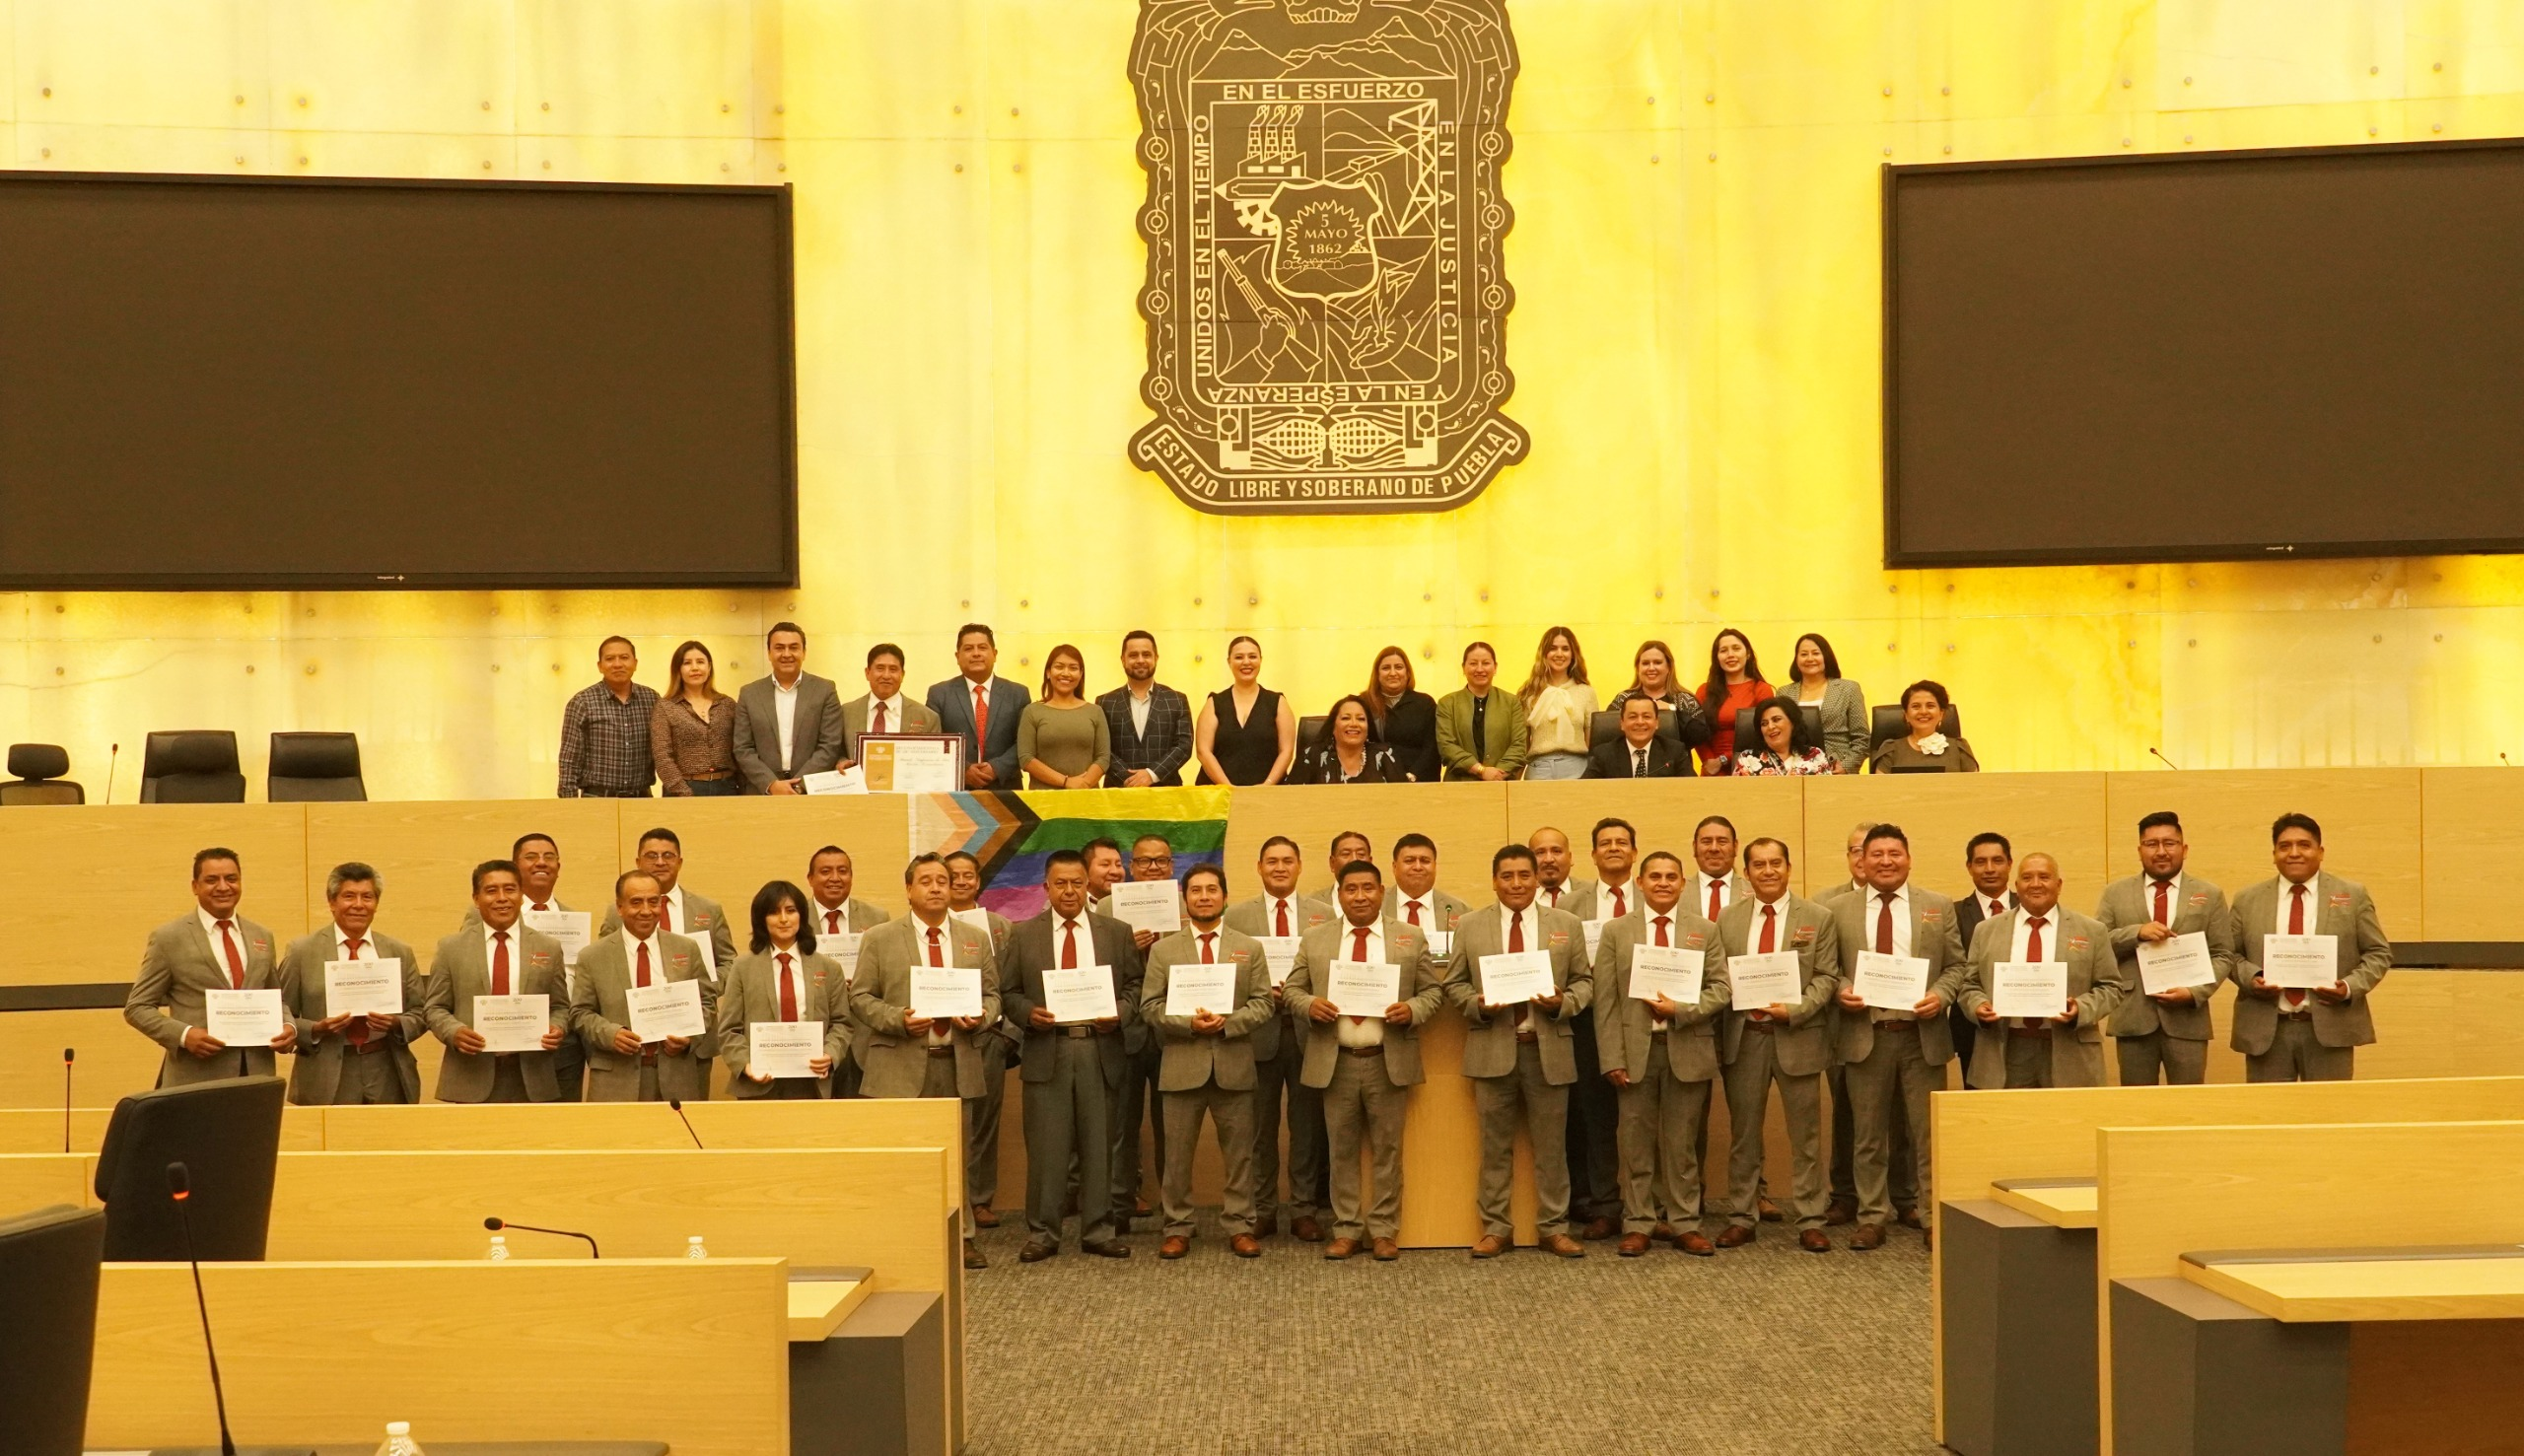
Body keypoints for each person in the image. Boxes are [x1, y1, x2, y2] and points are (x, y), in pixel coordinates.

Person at [1284, 859, 1443, 1261]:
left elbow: (1433, 993)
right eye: (1351, 889)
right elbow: (1291, 990)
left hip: (1386, 1058)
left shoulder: (1409, 937)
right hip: (1335, 1059)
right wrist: (1309, 1004)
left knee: (1388, 1149)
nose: (1360, 896)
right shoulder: (1316, 939)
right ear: (1339, 895)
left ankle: (1385, 1230)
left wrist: (1412, 1010)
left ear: (1381, 892)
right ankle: (1348, 1229)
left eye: (1368, 888)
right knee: (1341, 1149)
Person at [852, 853, 1000, 1269]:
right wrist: (898, 1019)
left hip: (958, 1059)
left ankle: (962, 1239)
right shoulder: (880, 937)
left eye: (943, 881)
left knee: (959, 1157)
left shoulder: (974, 937)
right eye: (926, 881)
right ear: (909, 889)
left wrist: (981, 1016)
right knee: (902, 1160)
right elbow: (860, 997)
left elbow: (992, 995)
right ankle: (902, 1240)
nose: (936, 887)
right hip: (899, 1063)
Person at [1448, 845, 1593, 1259]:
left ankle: (1553, 1228)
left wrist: (1562, 1003)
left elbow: (1585, 981)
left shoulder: (1565, 924)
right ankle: (1496, 1228)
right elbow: (1453, 984)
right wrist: (1478, 1004)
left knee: (1552, 1148)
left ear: (1537, 879)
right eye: (1507, 876)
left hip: (1548, 1049)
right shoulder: (1471, 925)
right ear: (1494, 880)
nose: (1516, 884)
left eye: (1524, 876)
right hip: (1493, 1047)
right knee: (1494, 1149)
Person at [1829, 823, 1967, 1252]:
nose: (1886, 861)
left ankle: (1930, 1217)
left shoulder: (1938, 906)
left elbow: (1957, 967)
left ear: (1908, 858)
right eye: (1877, 854)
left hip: (1920, 1035)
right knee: (1867, 1135)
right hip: (1865, 1033)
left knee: (1926, 1135)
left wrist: (1940, 996)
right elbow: (1826, 967)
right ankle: (1872, 1216)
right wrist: (1841, 989)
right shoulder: (1837, 910)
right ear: (1862, 861)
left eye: (1894, 853)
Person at [998, 849, 1142, 1261]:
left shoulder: (1116, 932)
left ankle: (1099, 1230)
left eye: (1077, 882)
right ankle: (1043, 1232)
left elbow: (1135, 985)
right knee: (1047, 1148)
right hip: (1049, 1051)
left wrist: (1119, 1013)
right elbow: (1007, 993)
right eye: (1060, 883)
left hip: (1100, 1050)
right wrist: (1029, 1014)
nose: (1069, 891)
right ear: (1046, 887)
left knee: (1100, 1146)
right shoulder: (1024, 935)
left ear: (1088, 885)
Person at [1593, 849, 1727, 1256]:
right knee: (1635, 1142)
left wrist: (1681, 1010)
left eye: (1672, 877)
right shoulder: (1617, 930)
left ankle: (1685, 1222)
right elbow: (1606, 1001)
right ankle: (1639, 1223)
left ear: (1683, 884)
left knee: (1682, 1143)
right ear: (1640, 882)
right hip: (1635, 1051)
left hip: (1686, 1046)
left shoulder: (1704, 930)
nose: (1664, 883)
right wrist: (1612, 1057)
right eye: (1655, 877)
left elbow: (1721, 989)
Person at [1140, 865, 1275, 1258]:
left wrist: (1228, 1023)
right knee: (1177, 1155)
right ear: (1185, 899)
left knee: (1240, 1154)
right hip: (1182, 1063)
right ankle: (1178, 1227)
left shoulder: (1249, 947)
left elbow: (1264, 1002)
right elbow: (1149, 1007)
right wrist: (1189, 1024)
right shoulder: (1164, 950)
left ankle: (1239, 1225)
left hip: (1233, 1062)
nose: (1203, 896)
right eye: (1195, 890)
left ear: (1225, 896)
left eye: (1211, 890)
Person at [1716, 837, 1838, 1252]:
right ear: (1746, 873)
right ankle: (1741, 1216)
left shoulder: (1817, 917)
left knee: (1805, 1135)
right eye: (1759, 865)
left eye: (1775, 864)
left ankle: (1810, 1218)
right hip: (1744, 1037)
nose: (1768, 871)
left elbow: (1827, 977)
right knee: (1743, 1135)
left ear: (1789, 868)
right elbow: (1717, 977)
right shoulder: (1727, 920)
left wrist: (1797, 1008)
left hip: (1797, 1036)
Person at [1224, 835, 1337, 1242]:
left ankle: (1304, 1210)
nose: (1279, 868)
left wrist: (1301, 991)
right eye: (1271, 861)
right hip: (1259, 1032)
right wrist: (1259, 990)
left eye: (1287, 860)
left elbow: (1332, 969)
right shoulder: (1236, 917)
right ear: (1259, 867)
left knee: (1306, 1127)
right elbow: (1226, 976)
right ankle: (1262, 1209)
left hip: (1310, 1032)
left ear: (1300, 866)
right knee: (1258, 1128)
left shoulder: (1325, 915)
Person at [2230, 813, 2391, 1082]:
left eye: (2304, 845)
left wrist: (2349, 986)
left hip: (2330, 1027)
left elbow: (2378, 953)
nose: (2294, 853)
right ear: (2274, 854)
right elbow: (2229, 955)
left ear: (2320, 851)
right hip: (2267, 1030)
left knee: (2329, 1115)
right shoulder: (2247, 900)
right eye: (2285, 846)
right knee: (2269, 1116)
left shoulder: (2352, 895)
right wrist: (2251, 978)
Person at [1958, 853, 2127, 1090]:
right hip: (2006, 1048)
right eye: (2027, 877)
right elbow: (1969, 985)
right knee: (2008, 1124)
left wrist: (2080, 1008)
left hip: (2069, 1049)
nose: (2035, 884)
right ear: (2016, 886)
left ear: (2059, 885)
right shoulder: (1986, 930)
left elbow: (2111, 987)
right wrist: (1978, 1005)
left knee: (2067, 1124)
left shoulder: (2091, 930)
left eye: (2044, 877)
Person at [127, 847, 294, 1085]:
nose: (224, 887)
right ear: (195, 886)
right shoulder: (169, 938)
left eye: (231, 879)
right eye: (212, 880)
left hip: (258, 1076)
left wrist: (288, 1026)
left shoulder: (262, 936)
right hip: (195, 1079)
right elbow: (137, 1008)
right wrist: (184, 1036)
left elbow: (275, 998)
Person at [2095, 812, 2235, 1086]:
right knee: (2137, 1107)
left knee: (2188, 1107)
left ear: (2184, 849)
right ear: (2139, 851)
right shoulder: (2116, 893)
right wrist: (2135, 932)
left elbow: (2223, 954)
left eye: (2169, 843)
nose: (2161, 851)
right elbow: (2098, 946)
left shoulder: (2210, 894)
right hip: (2134, 1018)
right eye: (2151, 844)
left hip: (2188, 1020)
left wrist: (2195, 992)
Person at [279, 862, 425, 1106]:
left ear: (376, 903)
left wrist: (397, 1023)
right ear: (332, 902)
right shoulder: (301, 952)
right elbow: (282, 1011)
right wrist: (317, 1028)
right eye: (349, 896)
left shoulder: (399, 951)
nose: (358, 905)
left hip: (386, 1069)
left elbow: (421, 1013)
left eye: (367, 897)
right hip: (326, 1071)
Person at [425, 860, 570, 1103]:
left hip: (532, 1079)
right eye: (491, 891)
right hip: (468, 1078)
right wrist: (454, 1032)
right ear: (476, 898)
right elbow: (434, 1008)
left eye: (510, 889)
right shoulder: (451, 948)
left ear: (522, 895)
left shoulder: (548, 947)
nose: (502, 898)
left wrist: (557, 1028)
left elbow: (560, 1007)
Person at [574, 870, 715, 1102]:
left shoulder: (686, 949)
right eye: (636, 902)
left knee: (677, 1140)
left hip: (676, 1077)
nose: (646, 911)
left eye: (653, 901)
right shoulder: (593, 956)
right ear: (619, 908)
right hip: (616, 1080)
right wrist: (610, 1034)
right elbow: (579, 1013)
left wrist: (690, 1038)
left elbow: (706, 1002)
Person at [717, 880, 847, 1100]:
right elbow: (729, 1030)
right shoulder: (743, 967)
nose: (784, 919)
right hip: (759, 1084)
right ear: (761, 919)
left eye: (791, 910)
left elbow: (842, 1023)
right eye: (774, 912)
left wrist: (830, 1054)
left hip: (812, 1082)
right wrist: (746, 1064)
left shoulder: (828, 968)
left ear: (802, 916)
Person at [944, 851, 1017, 1228]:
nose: (960, 881)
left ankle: (980, 1199)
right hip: (937, 1038)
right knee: (948, 1124)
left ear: (978, 881)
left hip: (987, 1034)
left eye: (968, 875)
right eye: (952, 875)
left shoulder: (1001, 926)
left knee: (985, 1123)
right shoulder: (923, 926)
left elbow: (1011, 984)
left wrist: (1005, 1035)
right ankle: (949, 1202)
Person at [1110, 835, 1176, 1228]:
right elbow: (1095, 971)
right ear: (1131, 867)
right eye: (1144, 862)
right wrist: (1125, 948)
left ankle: (1175, 1211)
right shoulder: (1107, 909)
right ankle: (1118, 1208)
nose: (1153, 868)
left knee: (1173, 1127)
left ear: (1172, 866)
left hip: (1174, 1032)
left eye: (1161, 861)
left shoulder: (1188, 909)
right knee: (1121, 1125)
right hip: (1125, 1031)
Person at [504, 832, 584, 1099]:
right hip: (507, 1035)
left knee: (560, 1128)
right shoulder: (491, 914)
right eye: (531, 857)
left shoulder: (573, 919)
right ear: (515, 867)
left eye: (549, 858)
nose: (541, 863)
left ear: (558, 868)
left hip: (563, 1039)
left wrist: (562, 1025)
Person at [599, 829, 736, 981]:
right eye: (651, 856)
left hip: (693, 1002)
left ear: (680, 862)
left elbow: (728, 962)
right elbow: (603, 962)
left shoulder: (708, 910)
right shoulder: (618, 912)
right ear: (638, 862)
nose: (660, 862)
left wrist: (706, 988)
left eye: (668, 856)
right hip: (634, 1001)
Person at [733, 622, 846, 795]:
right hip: (761, 793)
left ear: (804, 652)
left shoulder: (825, 690)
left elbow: (830, 745)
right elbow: (742, 748)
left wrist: (799, 785)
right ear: (769, 653)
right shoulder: (749, 694)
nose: (787, 654)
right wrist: (771, 784)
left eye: (794, 647)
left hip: (811, 791)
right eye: (779, 648)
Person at [927, 623, 1029, 791]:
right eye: (968, 649)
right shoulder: (939, 694)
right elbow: (935, 742)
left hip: (1007, 790)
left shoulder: (1018, 694)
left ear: (995, 654)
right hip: (956, 791)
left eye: (982, 648)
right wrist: (964, 769)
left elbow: (1025, 742)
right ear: (957, 656)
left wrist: (996, 768)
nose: (976, 654)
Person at [557, 636, 659, 797]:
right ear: (600, 666)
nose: (618, 664)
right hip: (596, 800)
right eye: (610, 659)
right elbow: (569, 760)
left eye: (624, 658)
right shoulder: (582, 702)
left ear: (635, 663)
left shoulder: (652, 699)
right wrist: (570, 807)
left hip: (642, 799)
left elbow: (663, 752)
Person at [1952, 831, 2016, 1075]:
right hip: (1973, 1028)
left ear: (2010, 864)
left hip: (2030, 1024)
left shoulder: (2031, 907)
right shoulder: (1953, 913)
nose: (1989, 869)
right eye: (1980, 862)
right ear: (1969, 867)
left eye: (1997, 861)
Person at [1195, 635, 1297, 786]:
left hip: (1268, 793)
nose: (1246, 662)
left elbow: (1286, 751)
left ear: (1261, 660)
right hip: (1218, 795)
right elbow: (1203, 751)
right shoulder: (1214, 702)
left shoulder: (1278, 702)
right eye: (1239, 657)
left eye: (1252, 656)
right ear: (1229, 661)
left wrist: (1267, 785)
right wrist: (1228, 788)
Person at [1099, 630, 1195, 787]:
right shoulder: (1105, 702)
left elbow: (1184, 746)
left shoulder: (1176, 700)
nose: (1140, 660)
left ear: (1156, 658)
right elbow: (1101, 749)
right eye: (1133, 655)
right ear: (1123, 660)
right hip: (1118, 793)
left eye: (1146, 654)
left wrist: (1152, 774)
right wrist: (1131, 779)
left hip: (1167, 792)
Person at [1015, 644, 1112, 789]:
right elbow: (1026, 758)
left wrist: (1083, 784)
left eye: (1073, 668)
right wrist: (1066, 782)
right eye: (1059, 667)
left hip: (1087, 798)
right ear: (1048, 672)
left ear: (1081, 674)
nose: (1066, 673)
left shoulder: (1095, 711)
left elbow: (1103, 757)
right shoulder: (1032, 711)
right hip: (1043, 801)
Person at [651, 640, 740, 797]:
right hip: (684, 789)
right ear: (678, 669)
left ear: (709, 667)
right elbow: (663, 757)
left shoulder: (727, 704)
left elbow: (740, 749)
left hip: (727, 787)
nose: (695, 668)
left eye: (700, 662)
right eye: (687, 663)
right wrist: (684, 793)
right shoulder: (666, 707)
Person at [1605, 639, 1711, 763]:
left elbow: (1701, 736)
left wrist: (1672, 710)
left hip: (1675, 770)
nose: (1651, 668)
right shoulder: (1623, 700)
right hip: (1628, 768)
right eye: (1645, 663)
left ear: (1669, 667)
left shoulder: (1685, 700)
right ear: (1637, 668)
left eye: (1657, 662)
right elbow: (1607, 735)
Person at [1436, 641, 1527, 782]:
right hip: (1459, 784)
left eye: (1485, 663)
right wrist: (1481, 770)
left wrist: (1497, 775)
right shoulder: (1447, 703)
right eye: (1473, 663)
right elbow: (1446, 745)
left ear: (1495, 667)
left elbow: (1519, 745)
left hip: (1502, 785)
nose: (1479, 669)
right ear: (1463, 668)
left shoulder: (1511, 702)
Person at [1516, 626, 1600, 781]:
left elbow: (1592, 743)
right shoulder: (1529, 693)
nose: (1559, 654)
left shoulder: (1587, 692)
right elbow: (1522, 745)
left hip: (1577, 768)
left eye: (1565, 649)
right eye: (1553, 648)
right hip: (1538, 769)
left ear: (1573, 654)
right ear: (1544, 654)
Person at [838, 643, 942, 766]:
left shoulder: (927, 718)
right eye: (880, 668)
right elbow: (836, 752)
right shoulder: (846, 712)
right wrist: (841, 762)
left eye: (893, 669)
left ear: (902, 675)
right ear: (867, 673)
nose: (886, 676)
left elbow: (934, 763)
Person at [1785, 633, 1868, 774]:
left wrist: (1846, 766)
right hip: (1793, 768)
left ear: (1826, 657)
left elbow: (1862, 738)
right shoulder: (1784, 693)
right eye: (1804, 654)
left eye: (1816, 653)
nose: (1810, 658)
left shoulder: (1848, 689)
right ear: (1796, 660)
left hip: (1836, 767)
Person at [1694, 629, 1773, 773]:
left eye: (1736, 649)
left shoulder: (1762, 690)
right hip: (1712, 770)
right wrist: (1709, 761)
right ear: (1716, 657)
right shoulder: (1704, 691)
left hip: (1751, 767)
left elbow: (1765, 734)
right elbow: (1696, 733)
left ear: (1748, 653)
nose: (1730, 655)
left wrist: (1724, 759)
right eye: (1723, 650)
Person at [1287, 694, 1408, 784]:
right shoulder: (1312, 755)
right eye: (1346, 718)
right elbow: (1290, 800)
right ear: (1333, 727)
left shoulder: (1385, 755)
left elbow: (1405, 800)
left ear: (1368, 727)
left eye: (1361, 719)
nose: (1354, 724)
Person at [1364, 646, 1440, 784]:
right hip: (1376, 782)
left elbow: (1432, 747)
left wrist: (1413, 775)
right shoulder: (1364, 704)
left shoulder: (1425, 703)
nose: (1393, 673)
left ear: (1408, 672)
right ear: (1377, 674)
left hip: (1417, 781)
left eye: (1398, 667)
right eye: (1386, 668)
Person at [1869, 679, 1979, 773]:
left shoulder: (1959, 749)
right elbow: (1881, 793)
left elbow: (1977, 789)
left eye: (1930, 706)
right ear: (1906, 715)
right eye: (1916, 706)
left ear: (1941, 714)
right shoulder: (1890, 750)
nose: (1923, 711)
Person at [1386, 832, 1469, 942]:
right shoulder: (1376, 907)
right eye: (1409, 860)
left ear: (1435, 866)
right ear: (1394, 866)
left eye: (1425, 861)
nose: (1417, 867)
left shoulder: (1461, 912)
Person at [1583, 695, 1689, 778]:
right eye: (1633, 717)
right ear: (1622, 723)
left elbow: (1692, 788)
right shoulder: (1604, 754)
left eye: (1646, 716)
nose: (1640, 722)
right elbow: (1583, 790)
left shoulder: (1675, 752)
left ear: (1657, 723)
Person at [1730, 696, 1833, 776]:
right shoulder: (1747, 759)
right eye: (1764, 723)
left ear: (1792, 722)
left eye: (1776, 720)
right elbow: (1738, 798)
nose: (1770, 727)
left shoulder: (1815, 755)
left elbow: (1827, 795)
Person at [1688, 816, 1752, 924]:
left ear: (1735, 847)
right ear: (1694, 847)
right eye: (1706, 842)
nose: (1714, 848)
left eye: (1722, 842)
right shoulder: (1677, 894)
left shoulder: (1755, 894)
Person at [1305, 830, 1377, 911]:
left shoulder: (1386, 901)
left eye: (1361, 854)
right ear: (1332, 863)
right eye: (1346, 854)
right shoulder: (1312, 902)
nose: (1354, 859)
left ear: (1370, 862)